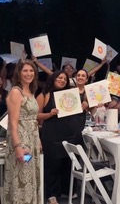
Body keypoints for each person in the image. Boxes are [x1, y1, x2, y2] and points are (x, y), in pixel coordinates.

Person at [37, 70, 81, 204]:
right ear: (53, 79)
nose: (62, 80)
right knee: (52, 165)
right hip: (51, 135)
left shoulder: (70, 95)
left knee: (67, 164)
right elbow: (36, 116)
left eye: (64, 79)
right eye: (59, 78)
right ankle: (51, 195)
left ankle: (66, 191)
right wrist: (49, 114)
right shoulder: (44, 94)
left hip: (69, 134)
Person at [4, 59, 41, 203]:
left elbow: (33, 118)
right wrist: (18, 147)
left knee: (30, 179)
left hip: (31, 140)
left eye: (31, 70)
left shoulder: (30, 91)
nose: (29, 73)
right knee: (21, 179)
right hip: (21, 142)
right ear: (18, 73)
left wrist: (38, 140)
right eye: (25, 70)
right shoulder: (16, 92)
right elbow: (13, 123)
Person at [33, 56, 107, 87]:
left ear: (73, 70)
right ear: (63, 70)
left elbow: (90, 72)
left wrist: (102, 63)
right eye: (66, 68)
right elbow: (48, 71)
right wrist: (36, 62)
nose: (69, 70)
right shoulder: (59, 78)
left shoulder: (76, 79)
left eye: (70, 68)